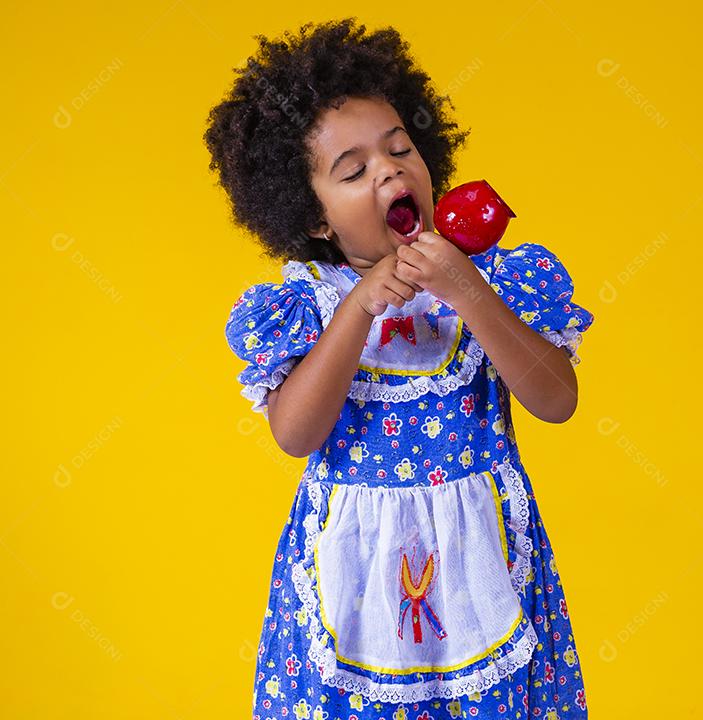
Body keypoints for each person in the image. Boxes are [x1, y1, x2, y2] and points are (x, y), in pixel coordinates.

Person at [204, 18, 594, 719]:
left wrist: (467, 289)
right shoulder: (308, 307)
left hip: (484, 569)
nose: (387, 170)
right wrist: (356, 309)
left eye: (399, 149)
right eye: (352, 171)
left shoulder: (494, 280)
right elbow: (295, 434)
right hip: (352, 581)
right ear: (314, 218)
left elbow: (557, 398)